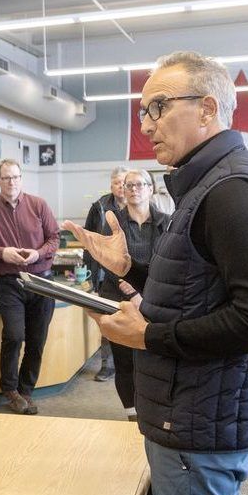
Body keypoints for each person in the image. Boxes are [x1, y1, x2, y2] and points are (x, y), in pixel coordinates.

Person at [63, 50, 248, 495]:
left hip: (201, 424)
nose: (146, 124)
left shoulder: (230, 189)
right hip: (198, 414)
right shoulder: (205, 184)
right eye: (142, 111)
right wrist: (130, 271)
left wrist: (152, 336)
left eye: (158, 107)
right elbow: (199, 286)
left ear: (209, 109)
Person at [0, 158, 59, 415]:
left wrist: (38, 254)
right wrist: (2, 252)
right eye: (6, 178)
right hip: (11, 282)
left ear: (22, 179)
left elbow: (54, 237)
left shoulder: (38, 205)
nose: (12, 182)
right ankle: (10, 389)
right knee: (14, 335)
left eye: (16, 177)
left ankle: (26, 391)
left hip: (42, 281)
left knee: (36, 340)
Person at [99, 169, 169, 422]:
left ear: (151, 189)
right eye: (129, 185)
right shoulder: (112, 221)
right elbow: (107, 261)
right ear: (122, 190)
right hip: (118, 297)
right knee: (125, 359)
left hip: (157, 299)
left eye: (140, 184)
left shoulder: (167, 222)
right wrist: (131, 290)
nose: (134, 189)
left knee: (154, 359)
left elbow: (170, 262)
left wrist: (145, 294)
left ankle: (154, 411)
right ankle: (131, 414)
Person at [83, 166, 127, 382]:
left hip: (133, 275)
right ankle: (107, 366)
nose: (121, 186)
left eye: (124, 182)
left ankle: (135, 367)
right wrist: (89, 272)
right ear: (111, 185)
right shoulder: (99, 206)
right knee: (108, 321)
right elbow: (88, 240)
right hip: (105, 276)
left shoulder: (139, 205)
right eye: (117, 182)